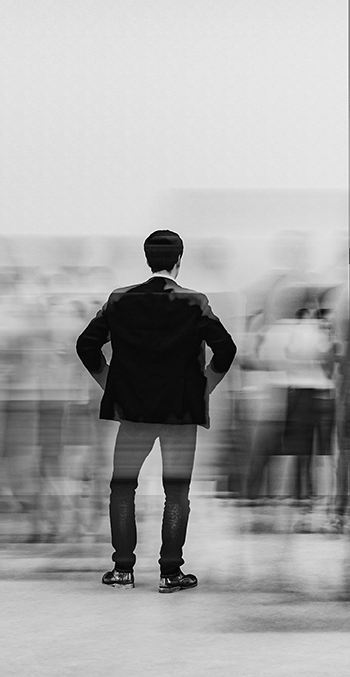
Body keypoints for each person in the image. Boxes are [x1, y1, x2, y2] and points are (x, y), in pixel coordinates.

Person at [76, 230, 237, 592]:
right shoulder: (194, 302)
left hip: (132, 411)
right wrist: (204, 387)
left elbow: (86, 344)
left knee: (122, 487)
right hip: (180, 412)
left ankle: (122, 569)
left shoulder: (120, 300)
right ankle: (169, 571)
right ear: (179, 261)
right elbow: (225, 349)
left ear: (148, 260)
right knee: (176, 490)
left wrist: (109, 383)